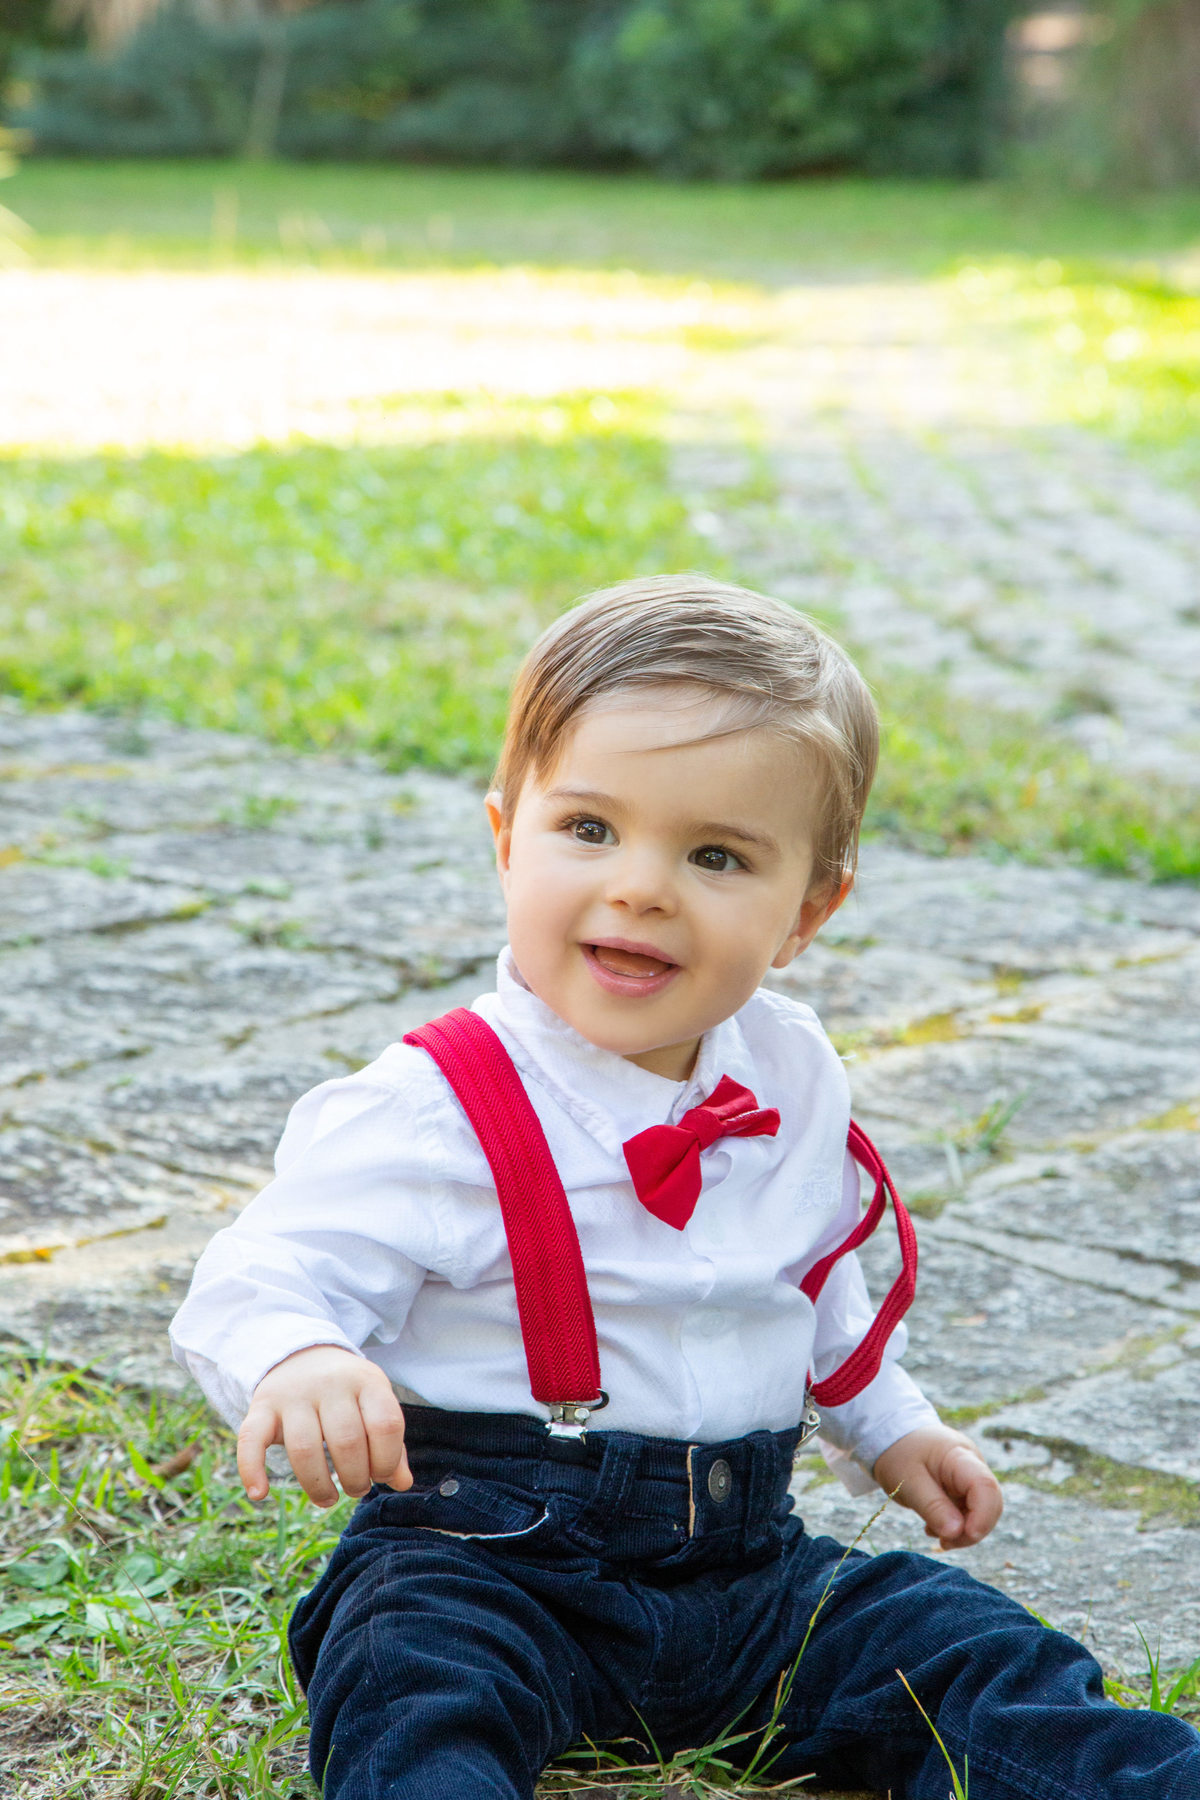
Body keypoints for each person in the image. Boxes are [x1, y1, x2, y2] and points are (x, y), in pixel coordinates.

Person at [170, 575, 1200, 1800]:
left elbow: (810, 1271)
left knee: (970, 1653)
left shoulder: (790, 1071)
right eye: (589, 829)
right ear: (507, 840)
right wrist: (298, 1356)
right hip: (491, 1561)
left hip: (747, 1576)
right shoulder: (436, 1105)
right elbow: (262, 1270)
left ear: (807, 911)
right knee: (412, 1676)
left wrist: (891, 1423)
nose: (642, 886)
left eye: (715, 855)